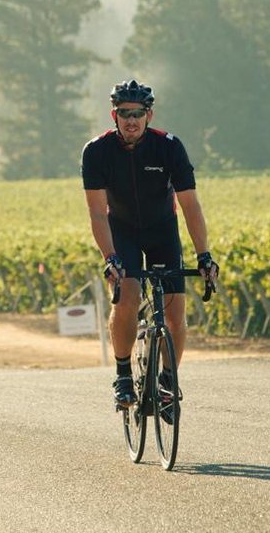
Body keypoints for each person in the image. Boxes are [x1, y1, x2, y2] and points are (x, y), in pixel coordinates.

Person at [80, 79, 219, 409]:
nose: (132, 120)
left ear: (149, 115)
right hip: (122, 230)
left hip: (162, 229)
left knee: (175, 312)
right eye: (125, 113)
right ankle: (124, 374)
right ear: (114, 115)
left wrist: (204, 254)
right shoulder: (97, 151)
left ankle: (168, 381)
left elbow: (190, 205)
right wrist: (110, 257)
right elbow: (98, 214)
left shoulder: (169, 147)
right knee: (127, 296)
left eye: (138, 113)